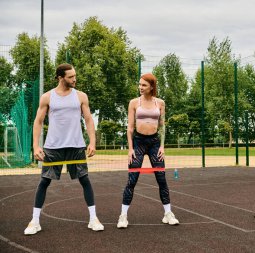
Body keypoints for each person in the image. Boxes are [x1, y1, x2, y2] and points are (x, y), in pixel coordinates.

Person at [24, 63, 104, 235]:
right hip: (53, 147)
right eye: (70, 77)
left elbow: (89, 119)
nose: (74, 79)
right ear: (60, 77)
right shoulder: (47, 97)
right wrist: (36, 146)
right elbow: (38, 121)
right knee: (44, 181)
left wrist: (92, 142)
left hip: (76, 145)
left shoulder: (81, 96)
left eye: (75, 75)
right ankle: (35, 221)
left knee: (85, 180)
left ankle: (93, 218)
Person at [117, 73, 179, 228]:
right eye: (139, 84)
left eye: (144, 85)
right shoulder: (133, 103)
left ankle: (168, 214)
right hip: (138, 142)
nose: (140, 87)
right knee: (132, 180)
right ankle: (123, 216)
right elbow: (130, 128)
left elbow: (162, 126)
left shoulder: (160, 103)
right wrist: (130, 149)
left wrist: (162, 146)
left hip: (154, 143)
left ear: (152, 87)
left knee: (161, 178)